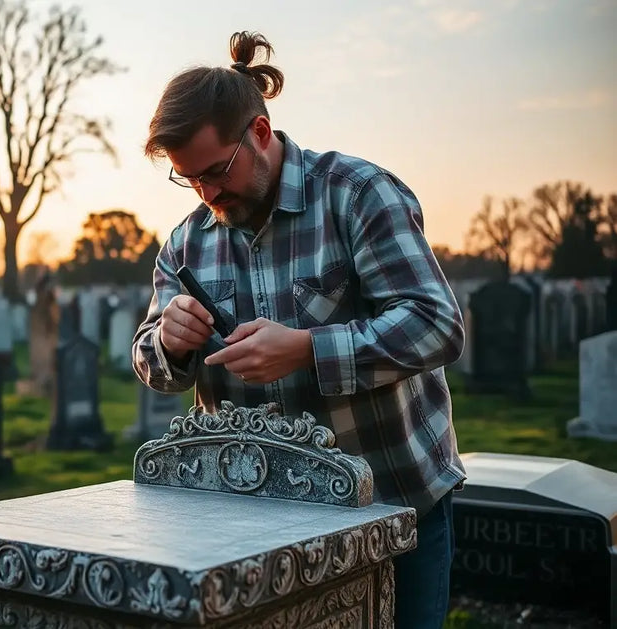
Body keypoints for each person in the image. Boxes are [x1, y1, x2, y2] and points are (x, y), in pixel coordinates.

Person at [131, 30, 466, 628]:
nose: (206, 193)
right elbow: (151, 363)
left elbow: (436, 325)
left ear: (259, 133)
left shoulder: (358, 195)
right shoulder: (187, 242)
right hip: (251, 522)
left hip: (390, 505)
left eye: (215, 171)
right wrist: (168, 342)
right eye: (190, 179)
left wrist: (309, 350)